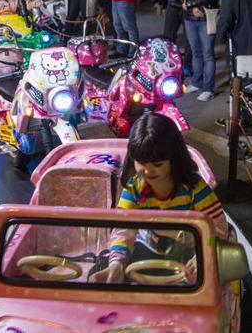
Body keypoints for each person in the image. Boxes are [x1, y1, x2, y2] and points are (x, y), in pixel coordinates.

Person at [88, 112, 226, 284]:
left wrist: (205, 254)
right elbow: (123, 228)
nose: (147, 171)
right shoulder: (135, 188)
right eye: (141, 163)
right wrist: (117, 263)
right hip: (145, 251)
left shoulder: (194, 189)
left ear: (174, 159)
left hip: (186, 255)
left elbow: (218, 229)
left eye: (157, 164)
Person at [178, 0, 223, 102]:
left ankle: (208, 89)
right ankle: (197, 83)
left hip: (206, 19)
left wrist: (190, 4)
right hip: (190, 20)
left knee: (208, 55)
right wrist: (189, 6)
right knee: (196, 53)